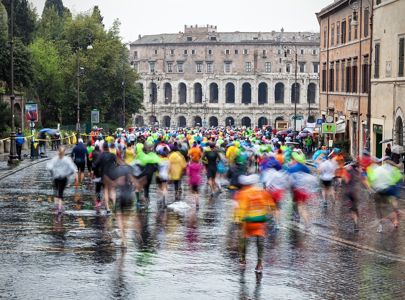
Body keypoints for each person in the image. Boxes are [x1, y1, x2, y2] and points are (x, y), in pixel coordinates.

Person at [234, 174, 274, 273]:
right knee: (260, 241)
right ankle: (259, 264)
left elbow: (240, 208)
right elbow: (271, 205)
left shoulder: (242, 193)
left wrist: (237, 219)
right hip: (260, 221)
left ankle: (243, 259)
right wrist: (271, 215)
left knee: (243, 239)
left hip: (248, 222)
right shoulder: (262, 191)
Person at [46, 146, 77, 214]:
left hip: (56, 178)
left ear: (58, 151)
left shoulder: (55, 159)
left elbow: (49, 167)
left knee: (56, 191)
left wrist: (52, 173)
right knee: (61, 193)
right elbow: (73, 169)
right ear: (64, 152)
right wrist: (69, 174)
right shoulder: (67, 159)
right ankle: (60, 207)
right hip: (64, 178)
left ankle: (57, 206)